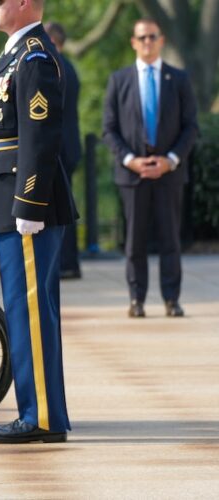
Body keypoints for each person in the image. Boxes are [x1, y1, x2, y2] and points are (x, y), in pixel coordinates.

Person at [0, 0, 76, 444]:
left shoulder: (34, 55)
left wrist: (29, 205)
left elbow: (40, 137)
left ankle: (39, 418)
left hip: (24, 203)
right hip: (9, 198)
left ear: (24, 3)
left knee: (30, 314)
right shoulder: (17, 53)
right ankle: (40, 413)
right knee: (25, 312)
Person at [102, 19, 198, 319]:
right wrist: (131, 159)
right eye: (141, 38)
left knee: (170, 239)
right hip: (133, 174)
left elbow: (190, 127)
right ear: (133, 42)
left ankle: (172, 300)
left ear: (161, 40)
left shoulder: (178, 79)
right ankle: (136, 299)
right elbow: (109, 129)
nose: (147, 42)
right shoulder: (120, 80)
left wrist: (171, 159)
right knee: (135, 241)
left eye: (152, 37)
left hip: (169, 173)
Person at [43, 21, 82, 280]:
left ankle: (66, 262)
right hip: (66, 148)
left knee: (60, 209)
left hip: (61, 149)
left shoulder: (57, 67)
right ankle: (67, 262)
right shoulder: (65, 66)